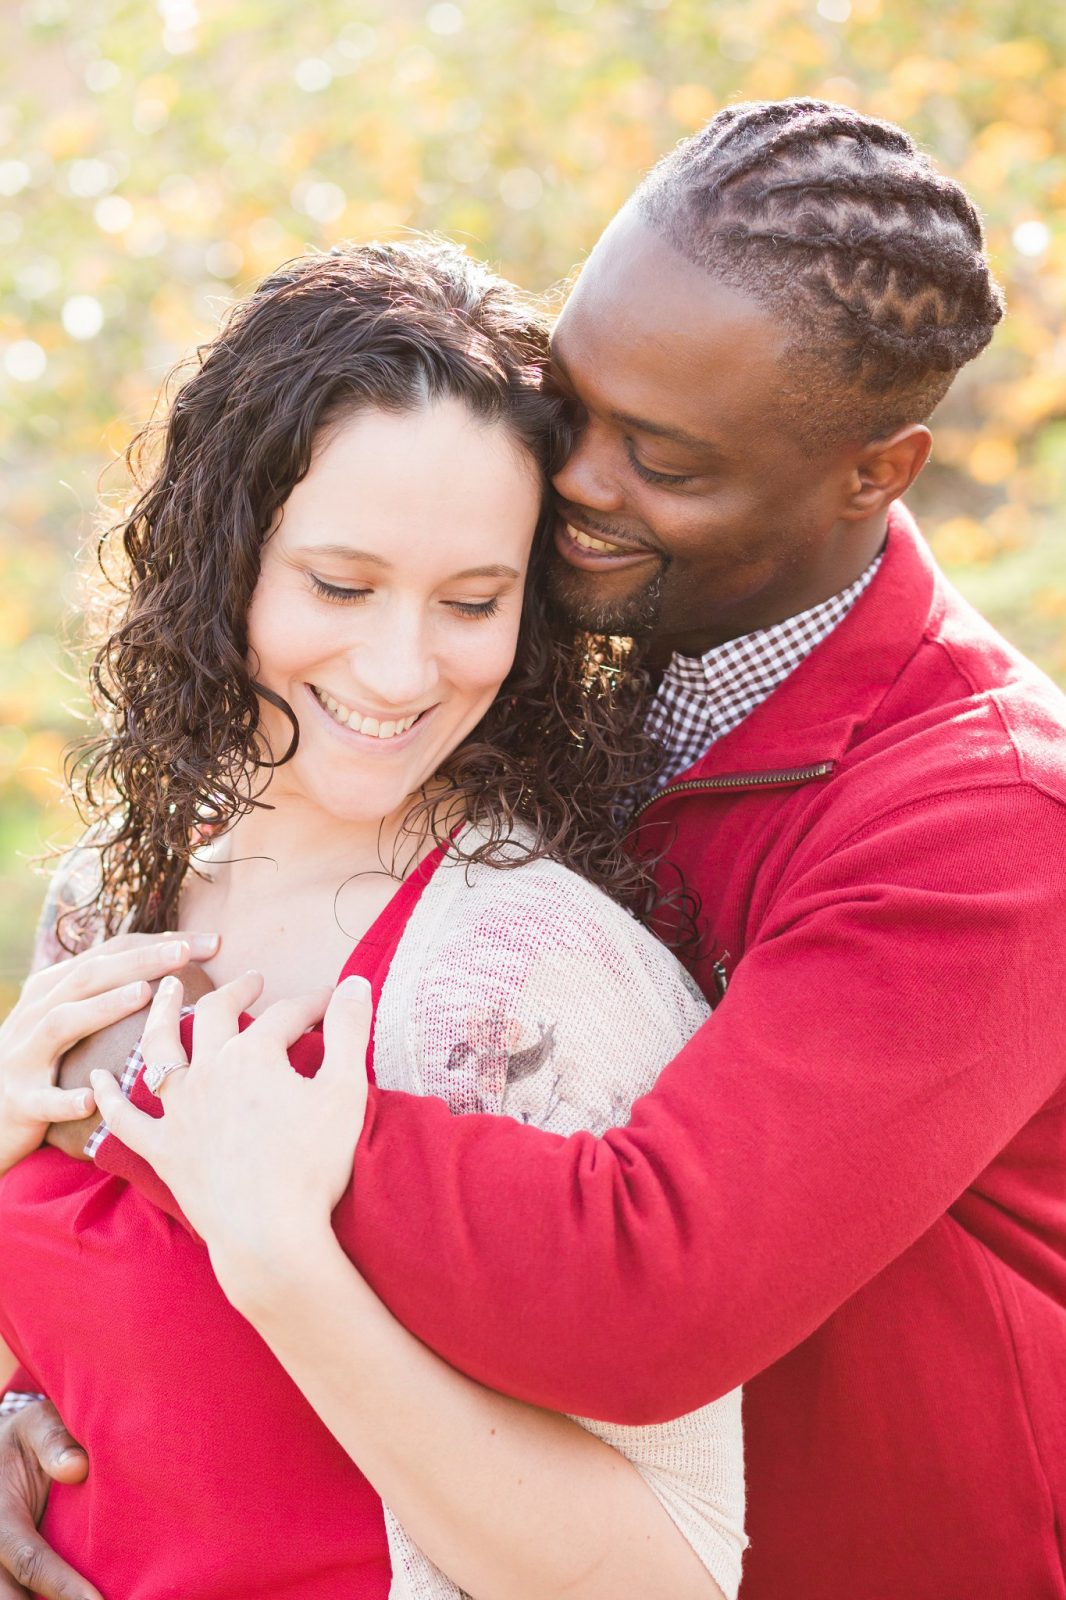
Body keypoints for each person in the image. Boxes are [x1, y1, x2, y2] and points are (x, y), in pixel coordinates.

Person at [5, 95, 1066, 1599]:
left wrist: (157, 1091)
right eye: (574, 409)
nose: (571, 483)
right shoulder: (551, 646)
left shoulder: (993, 822)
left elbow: (649, 1292)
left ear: (871, 475)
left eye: (666, 460)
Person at [0, 241, 745, 1599]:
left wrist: (282, 1260)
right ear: (219, 559)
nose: (402, 669)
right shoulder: (112, 895)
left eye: (472, 603)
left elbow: (675, 1575)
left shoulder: (530, 986)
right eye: (339, 587)